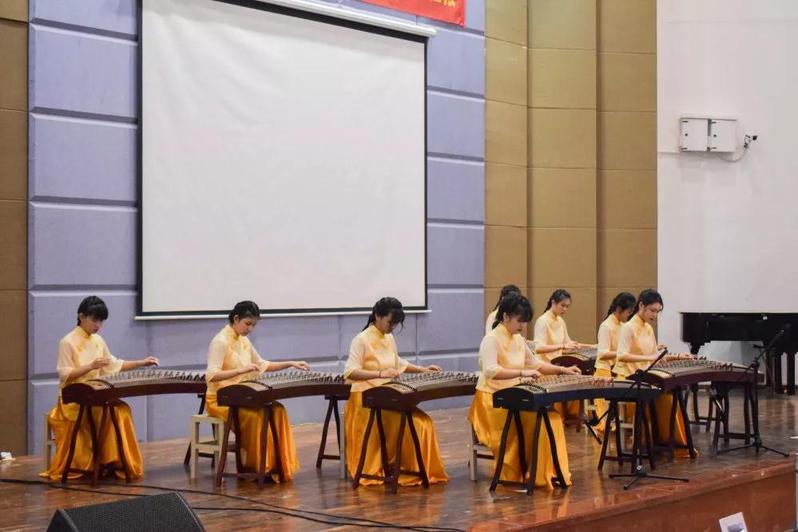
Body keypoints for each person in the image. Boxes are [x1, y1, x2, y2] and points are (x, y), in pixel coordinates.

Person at [469, 293, 580, 489]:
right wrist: (522, 373)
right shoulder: (491, 339)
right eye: (519, 321)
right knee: (540, 422)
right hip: (492, 401)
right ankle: (528, 472)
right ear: (505, 317)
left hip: (514, 397)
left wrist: (562, 370)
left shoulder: (518, 339)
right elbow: (491, 371)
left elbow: (535, 364)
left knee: (550, 419)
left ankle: (545, 472)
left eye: (525, 321)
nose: (523, 326)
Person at [41, 296, 159, 480]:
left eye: (101, 321)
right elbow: (65, 374)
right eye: (94, 320)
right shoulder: (67, 342)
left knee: (121, 410)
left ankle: (114, 462)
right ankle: (103, 461)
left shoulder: (98, 340)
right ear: (81, 316)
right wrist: (90, 366)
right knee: (110, 413)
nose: (98, 325)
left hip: (94, 396)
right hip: (73, 401)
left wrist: (142, 362)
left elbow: (114, 365)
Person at [344, 297, 447, 486]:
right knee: (416, 424)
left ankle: (411, 468)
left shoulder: (388, 338)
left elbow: (397, 363)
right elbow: (350, 372)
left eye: (396, 324)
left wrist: (423, 369)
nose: (392, 327)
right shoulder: (361, 339)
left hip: (387, 397)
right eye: (390, 322)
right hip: (366, 401)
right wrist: (380, 374)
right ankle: (400, 466)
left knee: (423, 422)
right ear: (377, 315)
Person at [205, 300, 309, 481]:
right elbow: (211, 376)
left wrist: (290, 363)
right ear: (236, 319)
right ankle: (257, 467)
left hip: (242, 396)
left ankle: (277, 466)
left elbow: (262, 364)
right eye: (247, 323)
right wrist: (240, 371)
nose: (250, 329)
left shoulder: (243, 340)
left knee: (277, 410)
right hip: (221, 399)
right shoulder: (220, 341)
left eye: (253, 325)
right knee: (259, 416)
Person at [614, 289, 695, 456]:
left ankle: (671, 443)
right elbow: (621, 355)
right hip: (628, 378)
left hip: (645, 377)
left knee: (671, 398)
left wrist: (678, 357)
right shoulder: (628, 328)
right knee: (661, 398)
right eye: (652, 310)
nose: (655, 315)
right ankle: (651, 442)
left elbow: (655, 357)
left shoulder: (648, 329)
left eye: (658, 311)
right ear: (641, 306)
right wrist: (648, 357)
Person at [593, 292, 636, 434]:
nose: (629, 315)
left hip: (617, 368)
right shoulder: (606, 326)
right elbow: (602, 353)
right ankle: (611, 422)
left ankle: (632, 422)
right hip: (604, 369)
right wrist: (622, 354)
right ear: (619, 309)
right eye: (628, 312)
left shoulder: (623, 325)